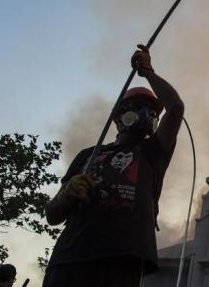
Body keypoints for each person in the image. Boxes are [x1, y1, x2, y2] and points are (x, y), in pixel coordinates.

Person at [42, 45, 184, 287]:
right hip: (70, 257)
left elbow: (176, 107)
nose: (146, 114)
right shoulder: (89, 154)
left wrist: (148, 72)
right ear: (119, 118)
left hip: (121, 259)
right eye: (137, 107)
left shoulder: (153, 151)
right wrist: (67, 194)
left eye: (151, 111)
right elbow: (53, 215)